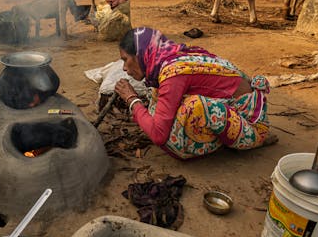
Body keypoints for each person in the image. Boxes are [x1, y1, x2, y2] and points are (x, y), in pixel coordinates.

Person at [114, 27, 275, 160]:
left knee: (193, 109)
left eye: (125, 59)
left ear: (140, 55)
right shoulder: (171, 59)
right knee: (157, 98)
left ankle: (248, 141)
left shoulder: (173, 73)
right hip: (237, 110)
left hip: (251, 124)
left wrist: (132, 100)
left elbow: (158, 135)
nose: (124, 68)